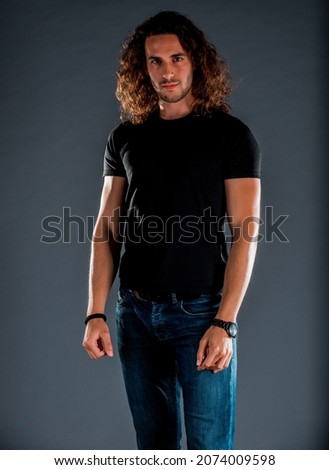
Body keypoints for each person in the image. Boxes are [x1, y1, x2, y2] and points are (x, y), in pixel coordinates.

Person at [82, 10, 261, 450]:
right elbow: (106, 227)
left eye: (176, 58)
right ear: (142, 68)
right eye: (155, 61)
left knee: (210, 449)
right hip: (136, 313)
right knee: (155, 447)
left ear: (196, 60)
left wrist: (227, 322)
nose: (166, 71)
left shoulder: (230, 135)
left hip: (201, 314)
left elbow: (246, 231)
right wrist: (95, 311)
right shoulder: (125, 137)